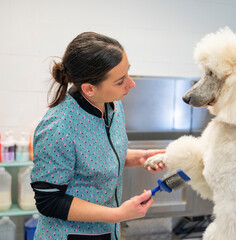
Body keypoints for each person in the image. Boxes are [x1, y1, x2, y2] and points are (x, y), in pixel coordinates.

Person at [30, 32, 166, 240]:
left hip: (107, 232)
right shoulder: (58, 129)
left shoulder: (113, 105)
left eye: (128, 73)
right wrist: (118, 214)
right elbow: (49, 200)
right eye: (121, 81)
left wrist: (139, 157)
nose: (131, 84)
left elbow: (96, 156)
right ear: (89, 88)